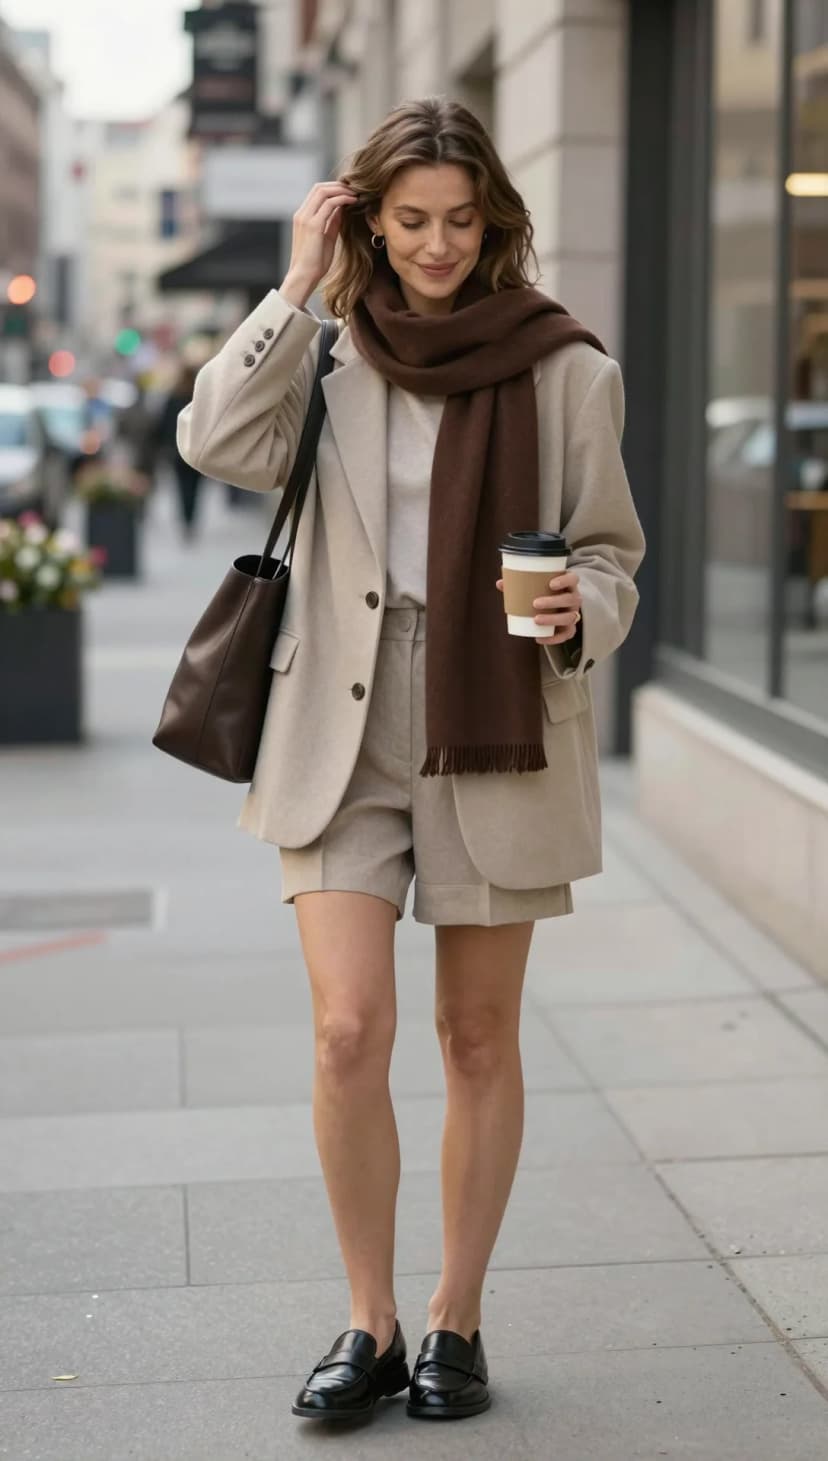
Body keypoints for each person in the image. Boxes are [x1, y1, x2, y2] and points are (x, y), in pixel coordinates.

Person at [177, 97, 645, 1423]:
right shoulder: (328, 354)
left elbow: (612, 551)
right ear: (369, 224)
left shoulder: (567, 368)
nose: (438, 246)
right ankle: (368, 1319)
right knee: (347, 1030)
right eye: (411, 221)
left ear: (494, 224)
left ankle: (456, 1317)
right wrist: (293, 287)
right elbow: (213, 440)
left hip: (497, 715)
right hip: (342, 717)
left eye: (460, 222)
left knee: (476, 1036)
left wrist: (586, 607)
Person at [154, 364, 203, 540]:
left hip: (177, 450)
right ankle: (191, 519)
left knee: (182, 487)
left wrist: (163, 446)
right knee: (195, 488)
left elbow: (164, 424)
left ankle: (185, 519)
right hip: (198, 450)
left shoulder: (173, 398)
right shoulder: (198, 398)